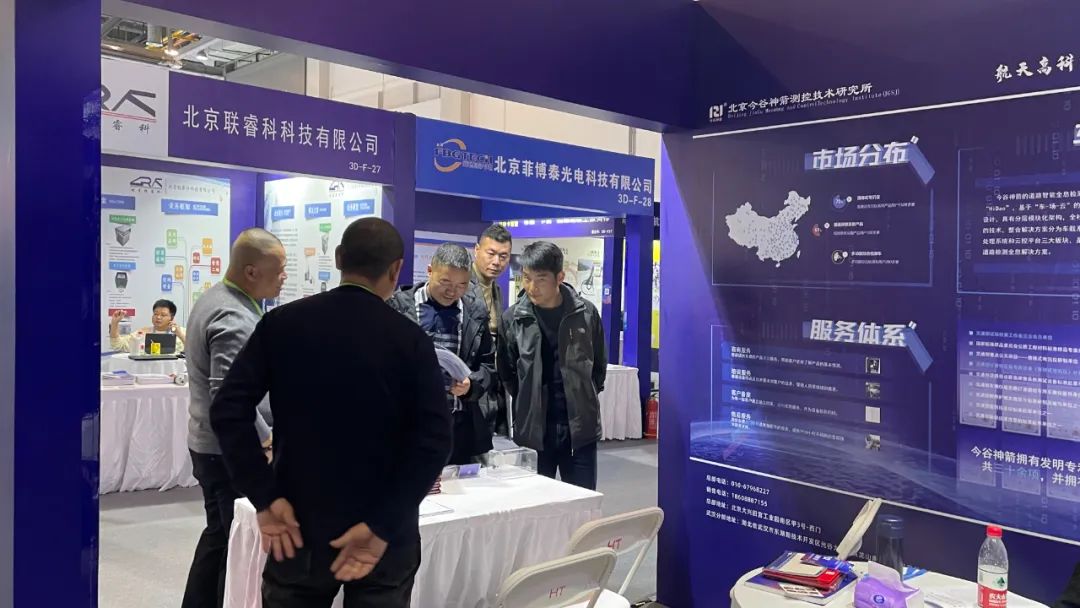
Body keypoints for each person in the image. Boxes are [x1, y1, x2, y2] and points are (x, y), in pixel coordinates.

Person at [211, 217, 451, 608]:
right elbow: (435, 441)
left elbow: (227, 410)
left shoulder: (281, 324)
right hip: (382, 533)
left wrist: (264, 495)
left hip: (298, 522)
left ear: (338, 258)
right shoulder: (410, 340)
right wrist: (384, 524)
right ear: (396, 270)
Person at [182, 228, 286, 608]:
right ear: (251, 272)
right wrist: (265, 440)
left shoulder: (219, 298)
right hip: (228, 452)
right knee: (233, 543)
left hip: (208, 446)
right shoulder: (233, 316)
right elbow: (227, 397)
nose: (284, 277)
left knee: (219, 535)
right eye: (279, 270)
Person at [497, 241, 607, 490]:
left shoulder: (586, 314)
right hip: (534, 431)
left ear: (560, 277)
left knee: (581, 502)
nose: (531, 287)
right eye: (527, 278)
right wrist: (526, 398)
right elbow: (507, 371)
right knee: (534, 504)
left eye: (540, 279)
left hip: (579, 430)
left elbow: (598, 367)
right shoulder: (513, 319)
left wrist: (584, 395)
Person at [389, 243, 495, 465]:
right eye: (445, 282)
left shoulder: (475, 312)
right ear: (429, 271)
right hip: (409, 426)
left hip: (459, 427)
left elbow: (488, 366)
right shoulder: (398, 308)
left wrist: (471, 385)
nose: (452, 291)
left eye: (462, 285)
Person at [470, 224, 513, 436]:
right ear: (477, 250)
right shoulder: (462, 285)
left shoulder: (496, 289)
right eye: (491, 253)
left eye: (503, 256)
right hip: (468, 379)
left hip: (491, 382)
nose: (497, 262)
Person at [109, 299, 187, 353]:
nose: (158, 317)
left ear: (172, 318)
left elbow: (193, 351)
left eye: (163, 315)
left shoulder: (182, 332)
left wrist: (180, 335)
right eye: (155, 314)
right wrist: (114, 323)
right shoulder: (142, 332)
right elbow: (117, 345)